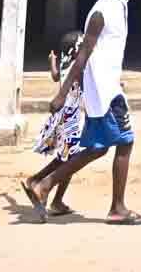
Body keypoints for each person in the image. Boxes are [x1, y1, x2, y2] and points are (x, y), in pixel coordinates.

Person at [27, 0, 141, 226]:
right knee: (123, 142)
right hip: (104, 92)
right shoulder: (102, 11)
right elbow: (82, 55)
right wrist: (61, 92)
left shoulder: (119, 4)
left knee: (98, 147)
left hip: (109, 87)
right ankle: (115, 208)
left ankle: (43, 185)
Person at [21, 29, 85, 219]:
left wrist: (52, 62)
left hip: (63, 117)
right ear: (75, 50)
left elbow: (55, 76)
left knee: (67, 160)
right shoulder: (78, 67)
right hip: (71, 118)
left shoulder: (66, 66)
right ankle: (41, 184)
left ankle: (46, 189)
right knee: (71, 161)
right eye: (82, 46)